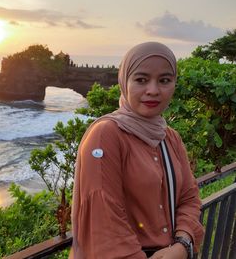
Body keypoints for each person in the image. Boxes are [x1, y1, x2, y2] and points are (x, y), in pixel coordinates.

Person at [70, 42, 204, 259]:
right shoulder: (107, 135)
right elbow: (104, 219)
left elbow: (189, 197)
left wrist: (183, 243)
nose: (153, 90)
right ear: (124, 82)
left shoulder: (170, 137)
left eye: (165, 80)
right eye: (141, 79)